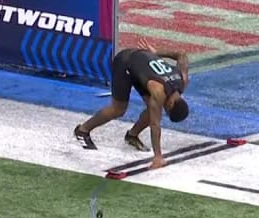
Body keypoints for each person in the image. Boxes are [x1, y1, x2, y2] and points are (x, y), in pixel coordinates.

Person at [74, 39, 190, 168]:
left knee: (152, 109)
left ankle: (132, 135)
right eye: (167, 110)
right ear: (171, 104)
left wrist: (157, 53)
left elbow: (181, 54)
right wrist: (158, 156)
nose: (164, 109)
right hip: (125, 62)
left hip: (142, 68)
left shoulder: (183, 81)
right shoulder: (159, 92)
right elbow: (155, 124)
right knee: (118, 109)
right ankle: (82, 130)